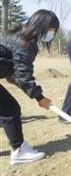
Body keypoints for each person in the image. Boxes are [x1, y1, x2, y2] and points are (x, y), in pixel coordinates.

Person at [0, 10, 60, 165]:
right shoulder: (25, 42)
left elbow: (13, 73)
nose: (53, 34)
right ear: (43, 26)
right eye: (53, 30)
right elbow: (23, 76)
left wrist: (34, 93)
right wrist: (39, 97)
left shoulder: (16, 34)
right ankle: (19, 150)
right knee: (10, 108)